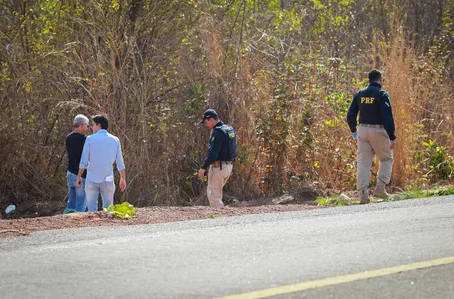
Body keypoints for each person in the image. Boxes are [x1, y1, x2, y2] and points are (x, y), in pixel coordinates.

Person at [347, 69, 397, 204]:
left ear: (369, 80)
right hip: (378, 130)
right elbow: (387, 117)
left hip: (362, 130)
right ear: (380, 79)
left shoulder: (359, 94)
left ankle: (363, 194)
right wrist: (392, 136)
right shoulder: (382, 94)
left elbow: (350, 115)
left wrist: (354, 131)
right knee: (386, 158)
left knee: (363, 162)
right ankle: (380, 188)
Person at [76, 114, 127, 211]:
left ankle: (93, 226)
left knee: (91, 209)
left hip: (91, 178)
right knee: (108, 209)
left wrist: (79, 176)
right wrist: (122, 178)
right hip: (108, 178)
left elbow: (84, 161)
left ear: (98, 125)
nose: (92, 127)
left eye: (93, 125)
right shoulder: (115, 140)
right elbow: (120, 162)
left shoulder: (90, 139)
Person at [198, 109, 237, 208]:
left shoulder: (218, 132)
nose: (207, 125)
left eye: (206, 122)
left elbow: (213, 154)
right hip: (228, 167)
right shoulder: (229, 129)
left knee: (213, 195)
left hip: (218, 167)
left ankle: (219, 220)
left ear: (211, 120)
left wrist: (203, 167)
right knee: (217, 193)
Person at [65, 114, 89, 212]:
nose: (87, 128)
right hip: (80, 175)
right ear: (82, 125)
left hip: (70, 173)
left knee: (71, 203)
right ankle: (78, 226)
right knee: (81, 204)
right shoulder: (85, 139)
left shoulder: (68, 137)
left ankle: (67, 221)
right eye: (87, 126)